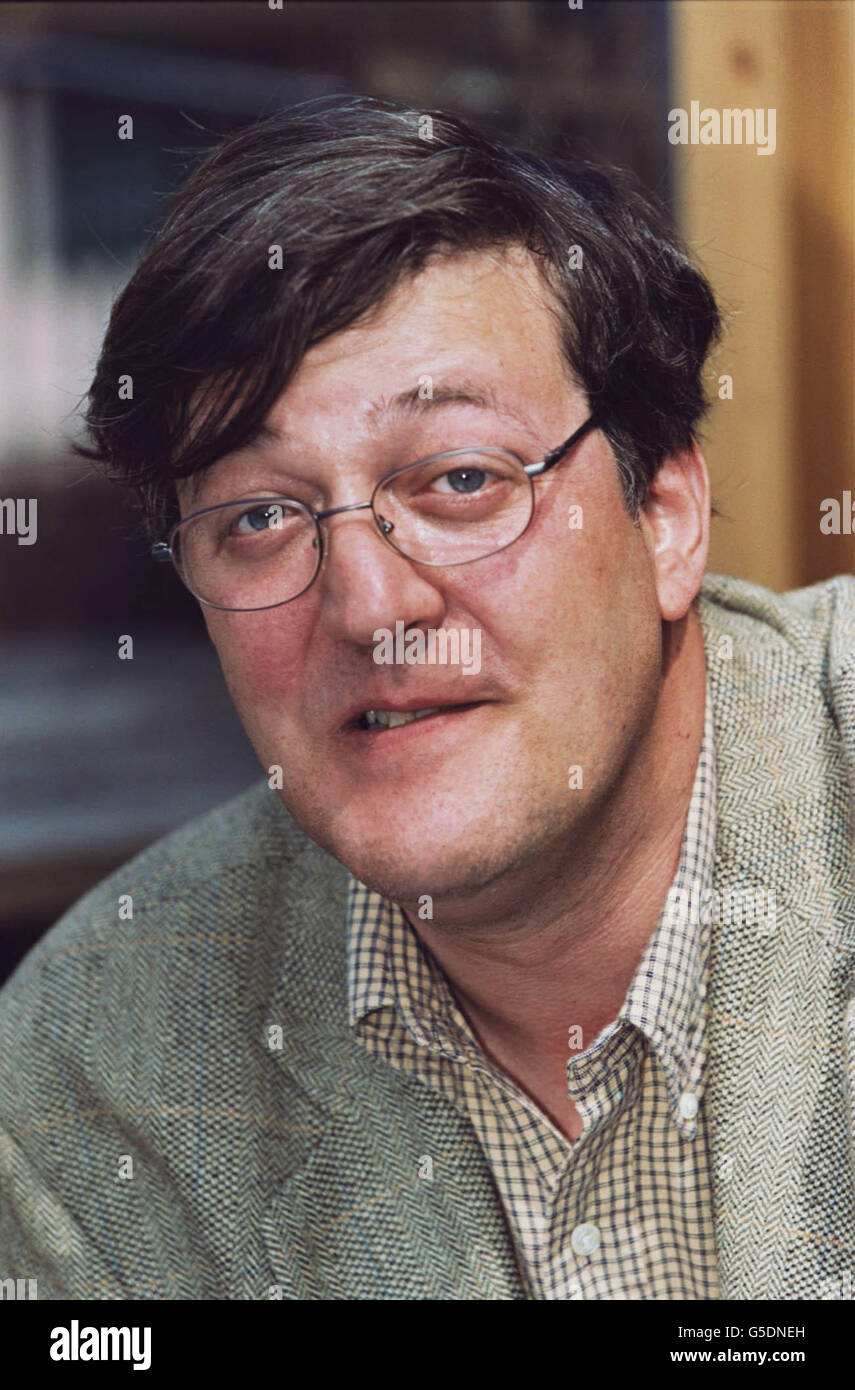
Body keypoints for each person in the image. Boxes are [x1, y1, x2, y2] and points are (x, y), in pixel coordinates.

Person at [0, 96, 852, 1301]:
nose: (367, 603)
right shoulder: (91, 1077)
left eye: (460, 479)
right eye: (259, 517)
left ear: (663, 517)